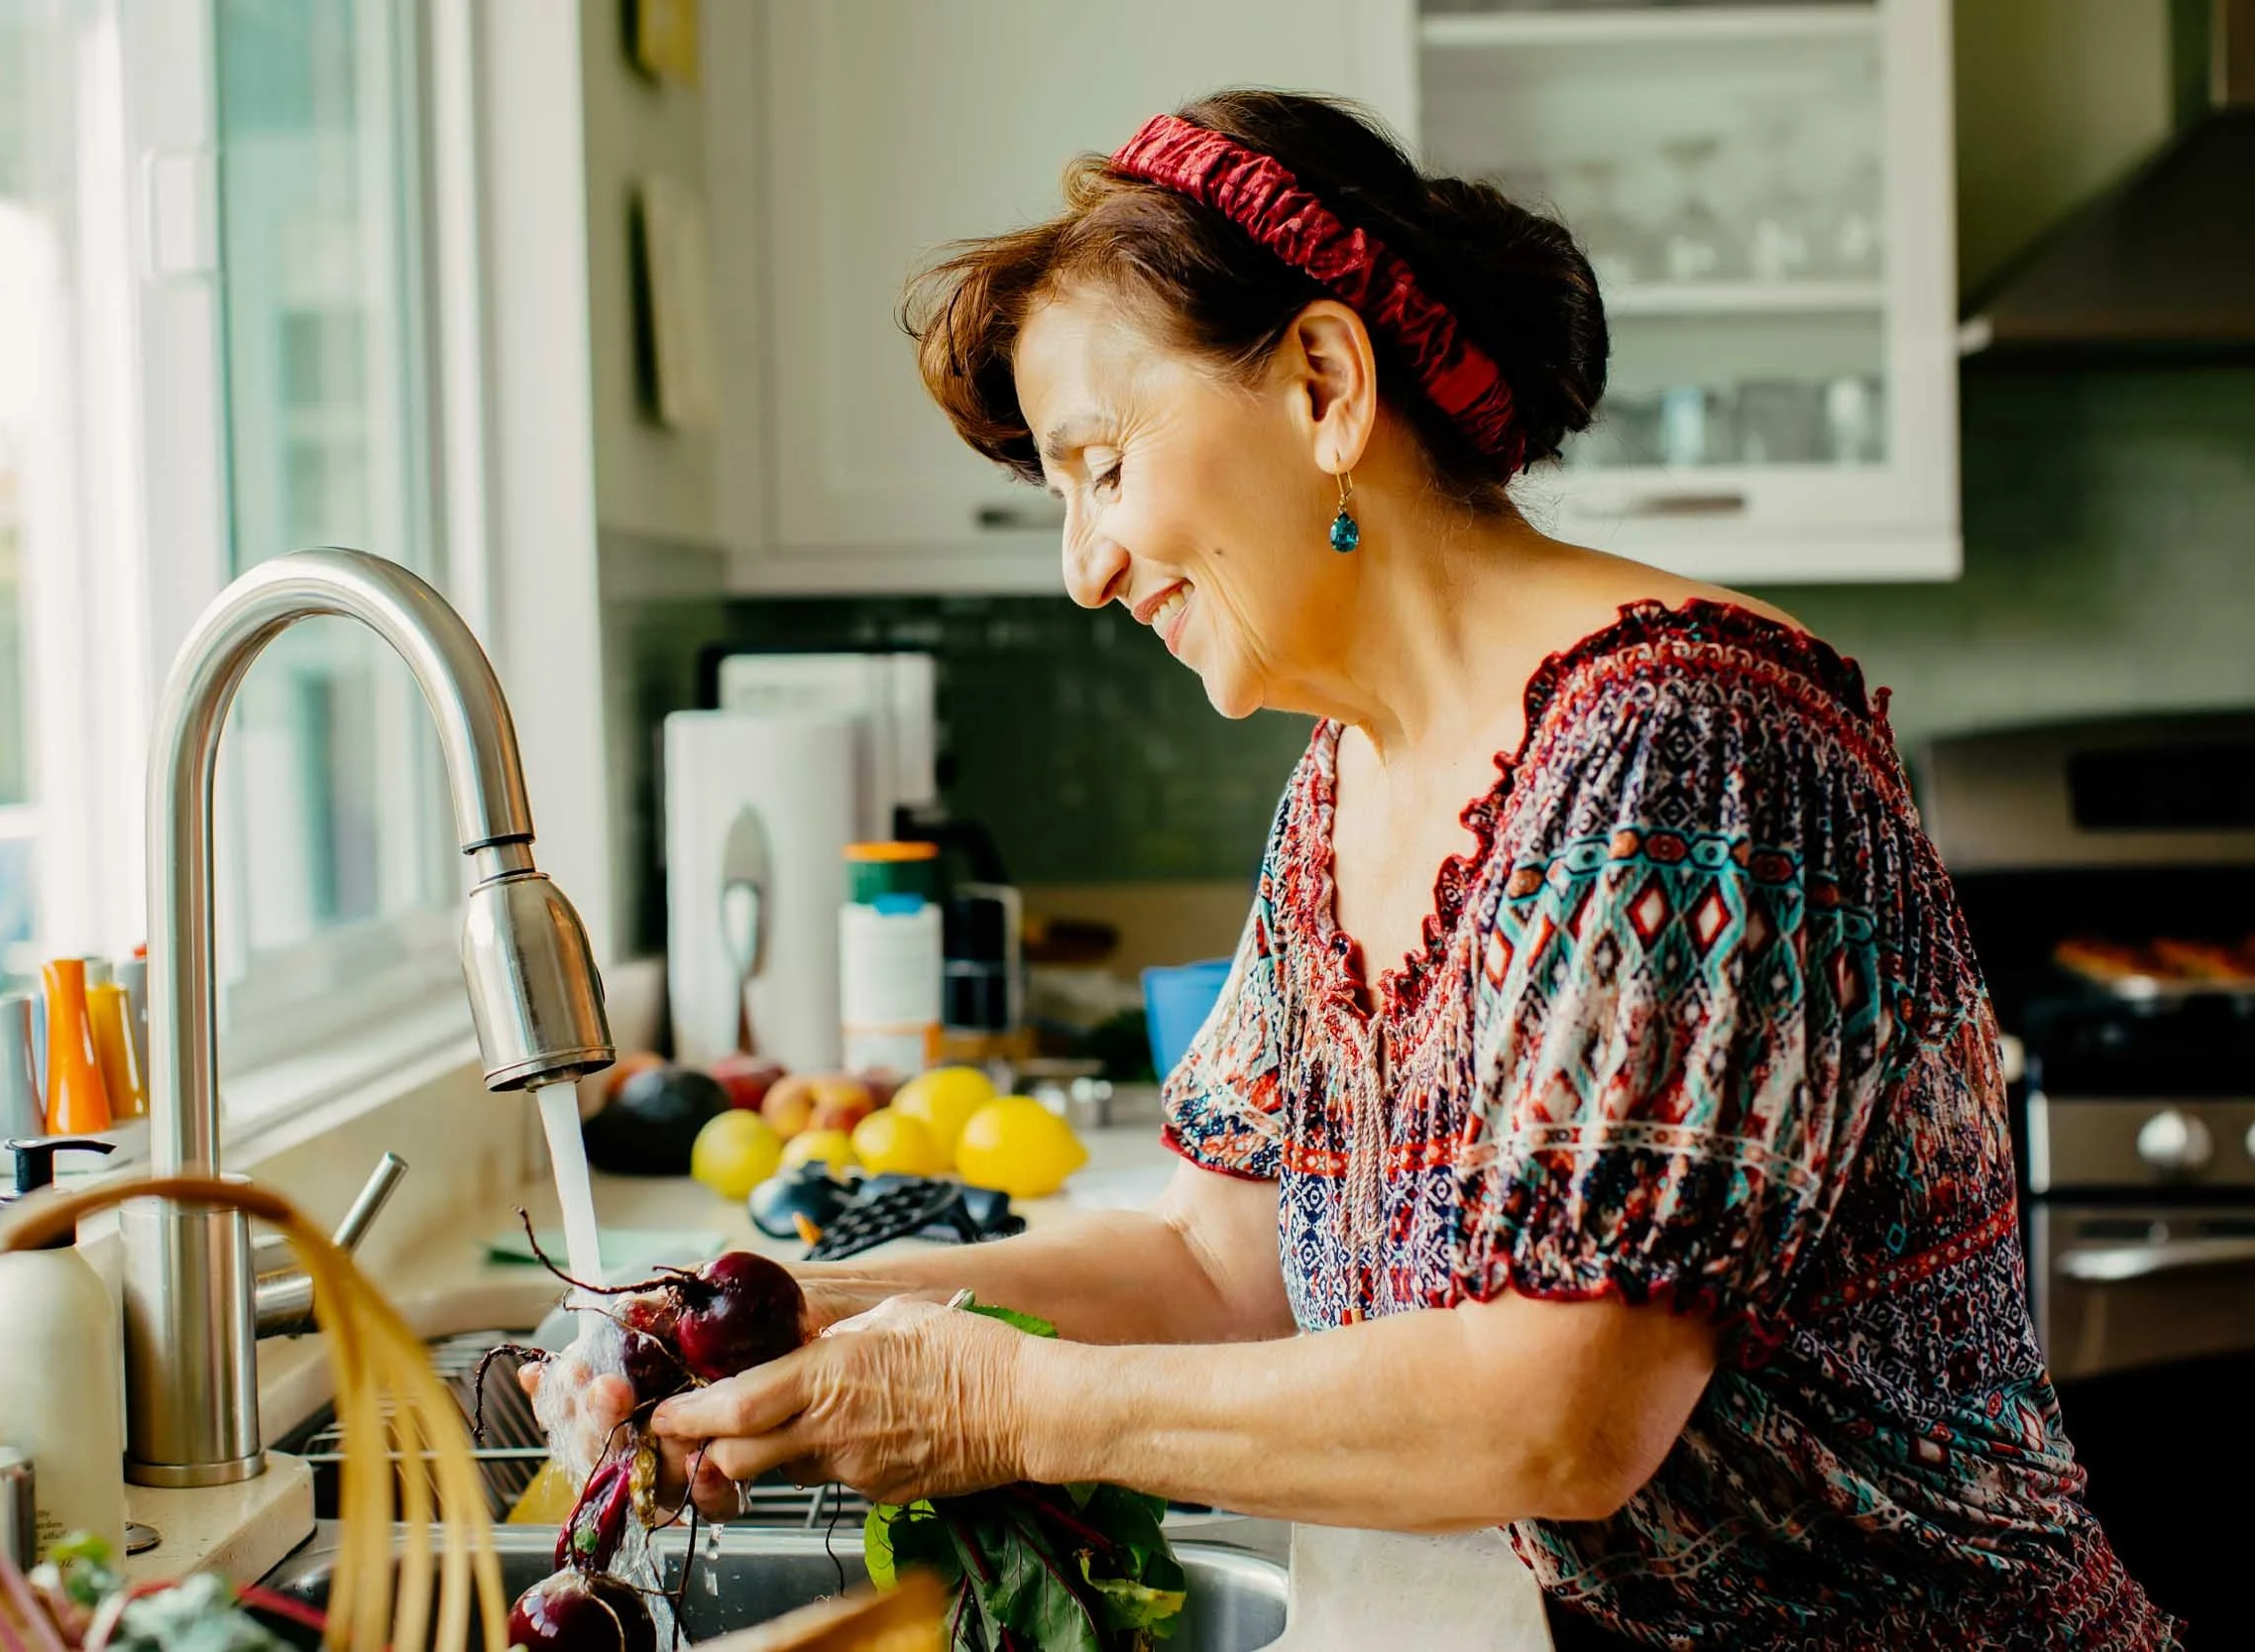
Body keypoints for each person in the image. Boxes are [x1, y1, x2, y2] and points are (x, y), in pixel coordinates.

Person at [548, 91, 2177, 1648]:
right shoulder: (1346, 787)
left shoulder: (1688, 748)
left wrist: (1007, 1404)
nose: (1085, 566)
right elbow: (1212, 1266)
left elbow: (1566, 1410)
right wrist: (788, 1319)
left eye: (1102, 464)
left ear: (1326, 383)